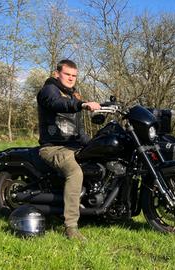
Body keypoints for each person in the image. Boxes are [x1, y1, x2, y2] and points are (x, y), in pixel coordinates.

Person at [37, 59, 101, 241]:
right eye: (67, 74)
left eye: (74, 76)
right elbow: (56, 103)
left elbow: (78, 129)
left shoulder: (74, 95)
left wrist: (92, 143)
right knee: (75, 172)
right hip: (54, 147)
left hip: (74, 145)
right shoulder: (49, 89)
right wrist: (81, 105)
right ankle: (71, 227)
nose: (71, 78)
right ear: (57, 74)